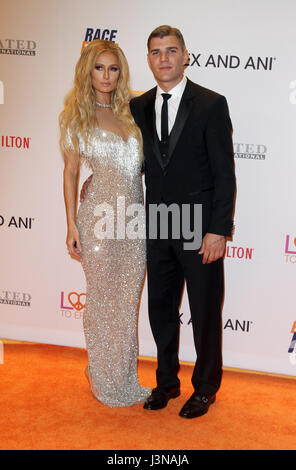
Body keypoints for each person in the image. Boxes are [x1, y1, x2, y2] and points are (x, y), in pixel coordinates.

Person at [81, 26, 236, 418]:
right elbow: (125, 157)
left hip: (199, 229)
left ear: (186, 55)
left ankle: (205, 388)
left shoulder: (210, 104)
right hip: (154, 226)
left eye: (171, 51)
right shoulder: (137, 107)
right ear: (148, 59)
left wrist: (219, 229)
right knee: (160, 311)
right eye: (155, 52)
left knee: (203, 311)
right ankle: (166, 382)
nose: (163, 58)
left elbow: (225, 173)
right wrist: (95, 180)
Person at [60, 39, 151, 407]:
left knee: (127, 302)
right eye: (99, 68)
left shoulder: (132, 111)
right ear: (88, 71)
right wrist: (71, 225)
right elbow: (69, 173)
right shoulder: (75, 117)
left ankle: (125, 377)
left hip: (133, 222)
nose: (107, 76)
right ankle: (102, 377)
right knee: (101, 302)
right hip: (96, 220)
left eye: (113, 68)